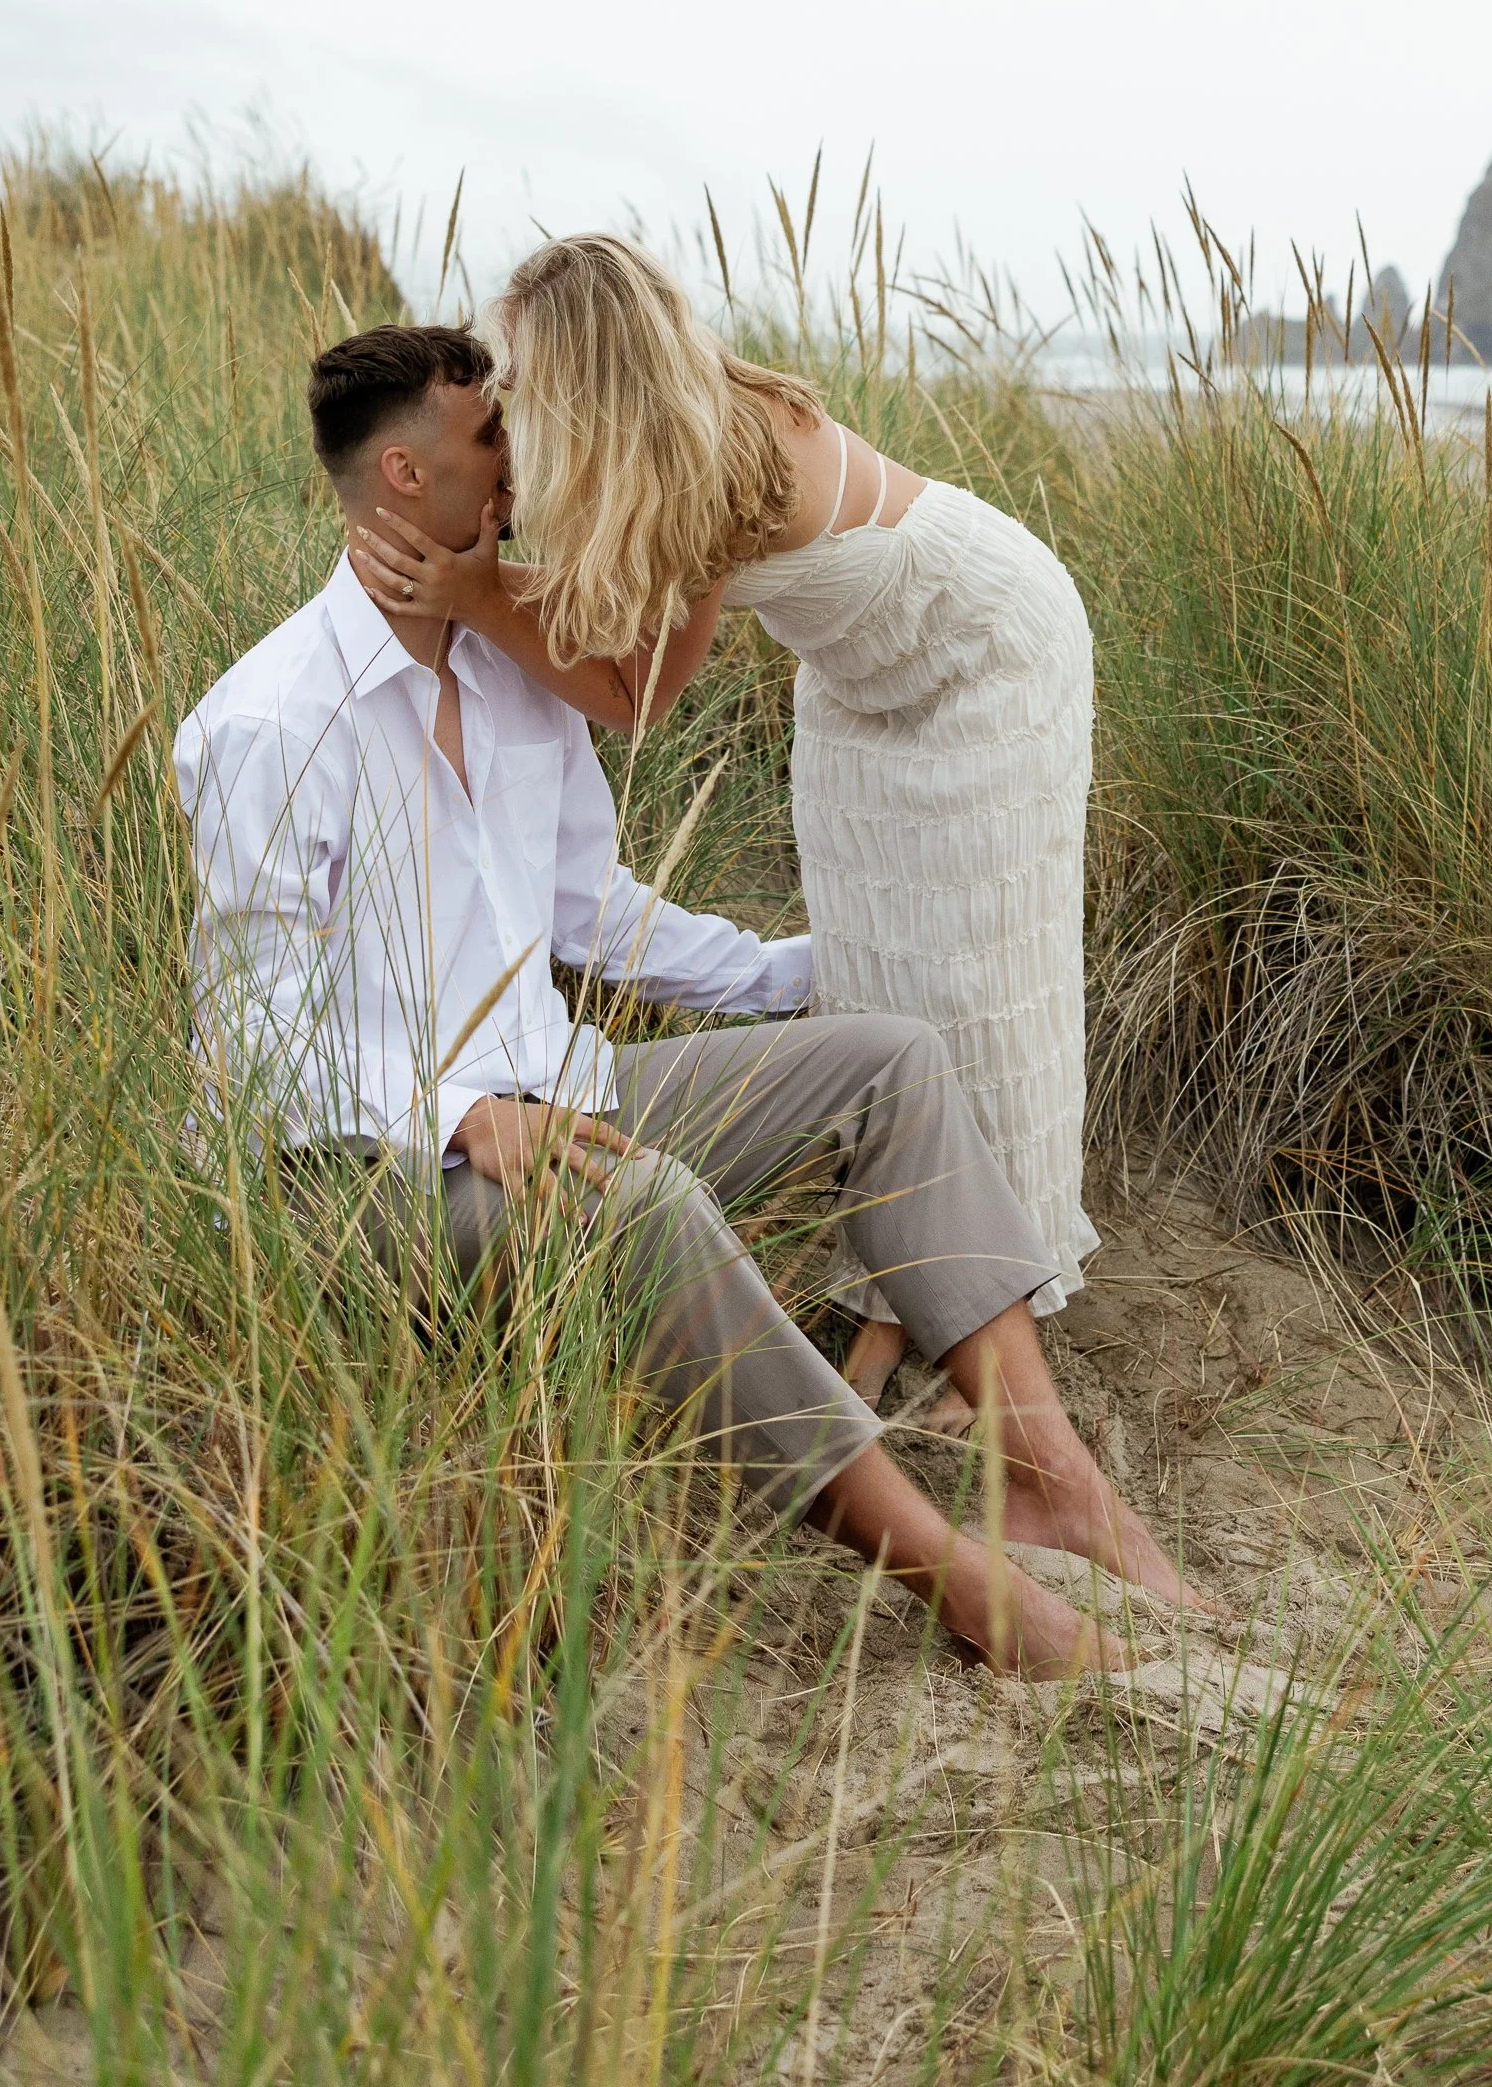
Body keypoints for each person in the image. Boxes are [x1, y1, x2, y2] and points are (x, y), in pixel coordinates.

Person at [175, 322, 1184, 1678]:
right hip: (359, 1174)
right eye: (491, 435)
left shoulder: (508, 668)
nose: (525, 454)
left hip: (562, 1097)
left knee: (886, 1058)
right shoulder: (269, 722)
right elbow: (248, 1034)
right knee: (647, 1203)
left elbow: (594, 910)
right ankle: (961, 1583)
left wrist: (801, 971)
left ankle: (1048, 1472)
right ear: (406, 476)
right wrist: (455, 1111)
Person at [348, 234, 1099, 1432]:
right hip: (859, 676)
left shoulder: (696, 455)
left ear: (592, 374)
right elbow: (597, 606)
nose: (514, 397)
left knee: (977, 970)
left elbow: (634, 686)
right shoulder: (638, 434)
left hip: (985, 651)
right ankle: (895, 1286)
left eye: (528, 376)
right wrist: (475, 568)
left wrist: (477, 595)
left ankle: (991, 1311)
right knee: (880, 960)